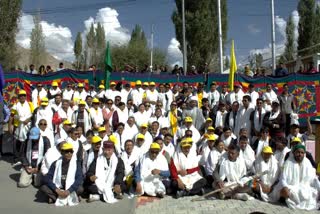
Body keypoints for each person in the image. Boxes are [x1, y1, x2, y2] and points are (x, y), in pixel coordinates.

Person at [272, 144, 319, 210]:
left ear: (304, 154)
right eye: (298, 152)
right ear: (294, 153)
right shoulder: (288, 163)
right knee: (286, 192)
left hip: (304, 187)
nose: (300, 154)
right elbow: (283, 179)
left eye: (302, 153)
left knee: (311, 192)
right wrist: (285, 187)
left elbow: (313, 178)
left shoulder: (307, 162)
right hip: (291, 186)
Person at [10, 90, 34, 165]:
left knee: (25, 143)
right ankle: (16, 159)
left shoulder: (30, 104)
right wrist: (10, 126)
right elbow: (12, 116)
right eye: (21, 95)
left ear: (26, 96)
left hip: (27, 126)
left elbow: (33, 114)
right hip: (17, 126)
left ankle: (23, 159)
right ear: (19, 97)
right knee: (16, 143)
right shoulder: (16, 105)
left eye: (24, 95)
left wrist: (27, 120)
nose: (22, 97)